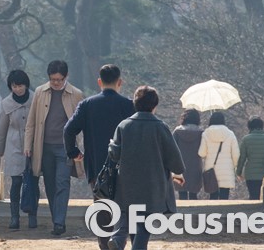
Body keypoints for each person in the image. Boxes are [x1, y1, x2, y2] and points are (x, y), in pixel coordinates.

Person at [64, 64, 134, 250]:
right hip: (125, 166)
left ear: (99, 82)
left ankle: (105, 245)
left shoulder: (87, 105)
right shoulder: (129, 105)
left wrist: (74, 152)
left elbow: (68, 130)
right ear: (120, 82)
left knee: (102, 209)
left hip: (96, 166)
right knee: (126, 208)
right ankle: (120, 241)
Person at [108, 86, 185, 250]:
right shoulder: (160, 127)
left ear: (135, 103)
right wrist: (177, 172)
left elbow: (114, 155)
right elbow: (176, 162)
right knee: (145, 223)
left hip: (127, 184)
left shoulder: (124, 126)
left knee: (132, 217)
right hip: (153, 186)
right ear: (155, 105)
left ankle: (121, 241)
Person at [24, 60, 84, 236]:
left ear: (66, 77)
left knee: (62, 183)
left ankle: (59, 222)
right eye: (53, 79)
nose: (56, 83)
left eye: (59, 79)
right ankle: (56, 217)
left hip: (66, 148)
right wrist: (28, 145)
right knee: (50, 184)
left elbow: (83, 123)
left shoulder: (76, 94)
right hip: (44, 147)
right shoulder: (40, 92)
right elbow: (31, 122)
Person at [0, 70, 37, 229]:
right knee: (16, 182)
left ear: (26, 85)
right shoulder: (6, 103)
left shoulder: (36, 99)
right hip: (13, 146)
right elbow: (1, 128)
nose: (18, 89)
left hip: (33, 146)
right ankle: (14, 217)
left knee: (32, 181)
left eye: (20, 86)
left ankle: (32, 216)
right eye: (14, 86)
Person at [198, 111, 239, 200]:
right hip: (226, 170)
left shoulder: (206, 134)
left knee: (213, 197)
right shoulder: (230, 134)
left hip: (211, 170)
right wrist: (236, 167)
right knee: (224, 197)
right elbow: (236, 154)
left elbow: (202, 153)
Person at [235, 116, 264, 200]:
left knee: (253, 197)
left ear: (249, 127)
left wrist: (238, 172)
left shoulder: (246, 139)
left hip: (251, 175)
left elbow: (241, 159)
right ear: (262, 126)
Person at [172, 109, 204, 200]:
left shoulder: (177, 131)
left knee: (182, 194)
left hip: (179, 167)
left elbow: (172, 149)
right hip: (196, 167)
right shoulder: (201, 133)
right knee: (194, 195)